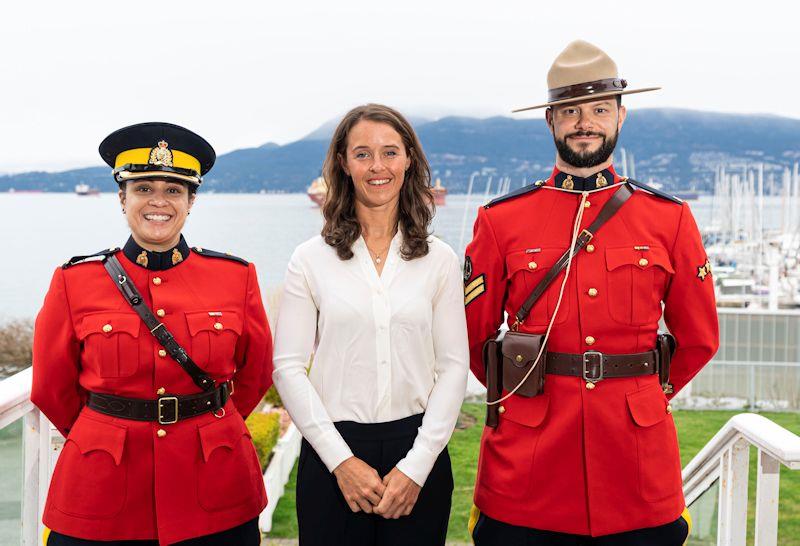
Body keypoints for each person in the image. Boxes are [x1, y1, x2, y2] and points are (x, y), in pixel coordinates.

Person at [464, 41, 719, 545]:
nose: (586, 122)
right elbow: (471, 340)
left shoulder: (669, 218)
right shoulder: (501, 221)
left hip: (636, 469)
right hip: (529, 469)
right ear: (551, 122)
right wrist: (522, 393)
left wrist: (644, 395)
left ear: (621, 116)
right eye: (571, 111)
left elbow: (699, 338)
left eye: (600, 109)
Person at [31, 122, 273, 545]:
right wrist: (106, 432)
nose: (158, 201)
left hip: (215, 485)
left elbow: (257, 374)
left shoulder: (236, 277)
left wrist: (209, 425)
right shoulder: (74, 282)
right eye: (143, 188)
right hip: (103, 489)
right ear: (122, 197)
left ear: (191, 201)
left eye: (174, 190)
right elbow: (51, 388)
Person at [272, 103, 469, 546]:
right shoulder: (310, 259)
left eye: (390, 152)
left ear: (409, 160)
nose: (377, 166)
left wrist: (416, 467)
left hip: (418, 454)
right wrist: (341, 462)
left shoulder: (439, 259)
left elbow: (454, 367)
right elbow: (287, 367)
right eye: (362, 153)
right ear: (343, 163)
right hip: (333, 454)